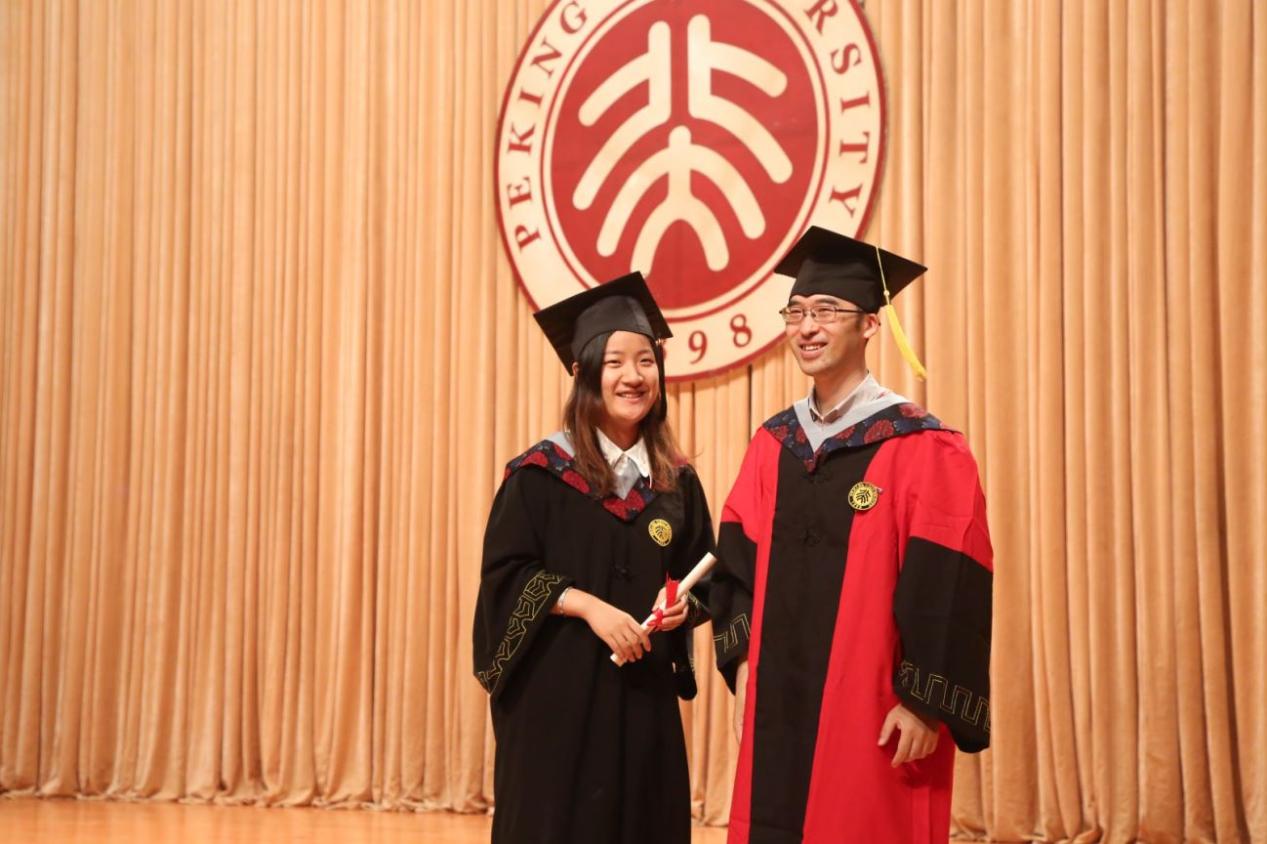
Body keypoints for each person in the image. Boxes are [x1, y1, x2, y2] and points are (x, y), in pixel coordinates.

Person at [709, 227, 994, 843]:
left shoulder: (924, 446)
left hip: (874, 703)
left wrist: (922, 700)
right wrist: (744, 666)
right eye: (796, 312)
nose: (807, 327)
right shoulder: (774, 446)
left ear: (869, 324)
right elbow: (736, 564)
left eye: (826, 311)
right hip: (779, 701)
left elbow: (950, 580)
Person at [473, 272, 715, 844]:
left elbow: (704, 575)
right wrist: (586, 606)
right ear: (583, 374)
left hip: (643, 702)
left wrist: (683, 606)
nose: (634, 376)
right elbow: (505, 576)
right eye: (615, 363)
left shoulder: (676, 482)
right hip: (556, 702)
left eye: (646, 361)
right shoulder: (539, 476)